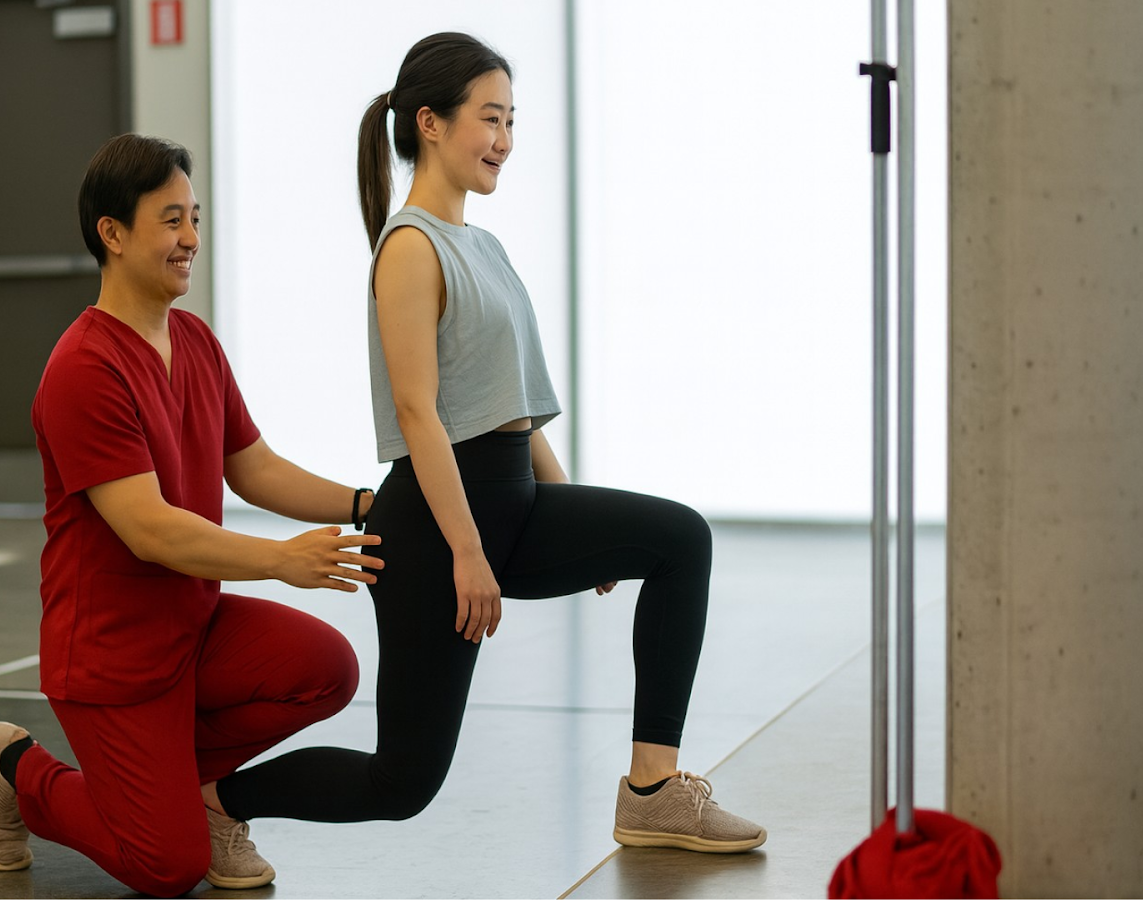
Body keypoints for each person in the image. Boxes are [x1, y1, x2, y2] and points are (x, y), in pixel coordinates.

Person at [206, 32, 766, 856]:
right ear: (429, 123)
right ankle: (219, 800)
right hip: (435, 530)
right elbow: (418, 412)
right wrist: (469, 554)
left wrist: (579, 514)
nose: (505, 139)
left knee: (679, 539)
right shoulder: (409, 247)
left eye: (512, 120)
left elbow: (521, 410)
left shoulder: (487, 247)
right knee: (401, 784)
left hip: (515, 502)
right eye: (490, 118)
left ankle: (652, 789)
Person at [0, 133, 384, 897]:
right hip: (111, 658)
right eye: (170, 220)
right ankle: (13, 766)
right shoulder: (83, 368)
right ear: (113, 234)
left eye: (195, 217)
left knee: (327, 669)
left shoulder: (193, 339)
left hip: (192, 629)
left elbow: (253, 467)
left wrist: (367, 504)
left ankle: (178, 791)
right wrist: (281, 560)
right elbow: (149, 530)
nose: (192, 238)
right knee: (167, 865)